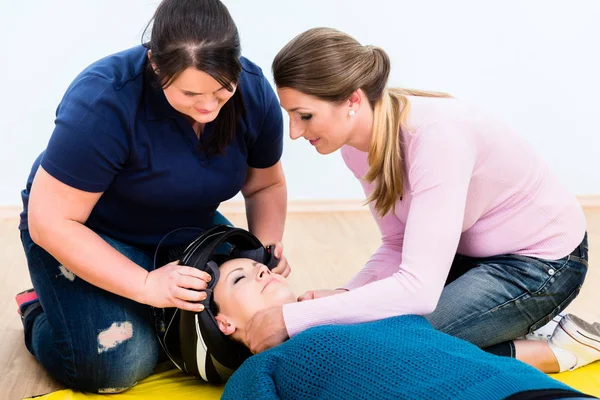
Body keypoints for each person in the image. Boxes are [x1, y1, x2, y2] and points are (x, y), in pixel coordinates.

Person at [242, 27, 600, 375]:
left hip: (542, 266)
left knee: (391, 347)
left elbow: (418, 290)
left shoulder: (437, 139)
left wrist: (291, 318)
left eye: (304, 116)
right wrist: (343, 294)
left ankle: (560, 348)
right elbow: (398, 243)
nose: (294, 132)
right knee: (368, 334)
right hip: (471, 255)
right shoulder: (356, 147)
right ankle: (500, 325)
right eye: (289, 115)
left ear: (352, 99)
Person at [14, 0, 289, 393]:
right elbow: (50, 221)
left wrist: (264, 250)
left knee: (260, 326)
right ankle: (40, 310)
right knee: (120, 364)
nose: (208, 106)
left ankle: (134, 308)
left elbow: (265, 185)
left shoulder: (253, 91)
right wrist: (146, 286)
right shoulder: (103, 102)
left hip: (183, 223)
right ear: (157, 66)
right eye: (191, 92)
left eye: (221, 89)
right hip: (83, 230)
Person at [213, 258, 597, 400]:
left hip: (530, 389)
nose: (260, 269)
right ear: (223, 323)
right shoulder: (261, 369)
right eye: (239, 278)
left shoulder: (361, 311)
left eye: (258, 265)